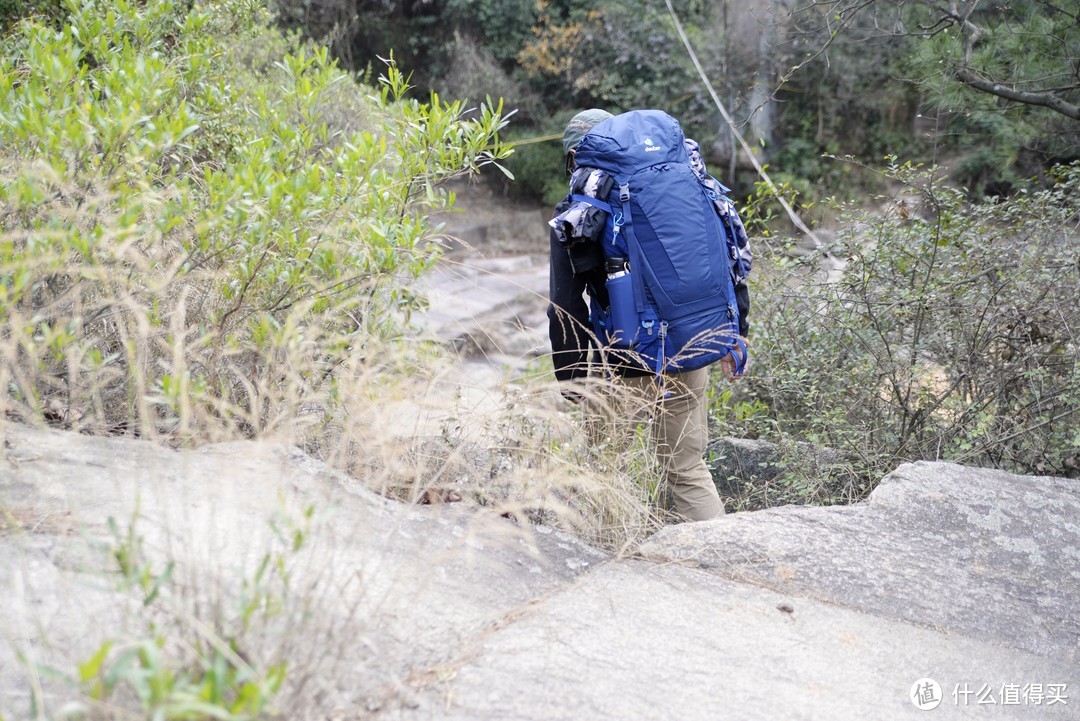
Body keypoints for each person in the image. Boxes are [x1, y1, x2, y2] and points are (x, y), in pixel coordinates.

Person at [547, 109, 745, 523]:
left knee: (604, 471)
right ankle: (724, 557)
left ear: (575, 155)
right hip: (694, 346)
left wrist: (574, 383)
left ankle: (611, 563)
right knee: (687, 470)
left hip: (624, 358)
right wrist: (735, 334)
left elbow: (565, 306)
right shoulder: (684, 181)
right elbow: (730, 257)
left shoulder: (577, 211)